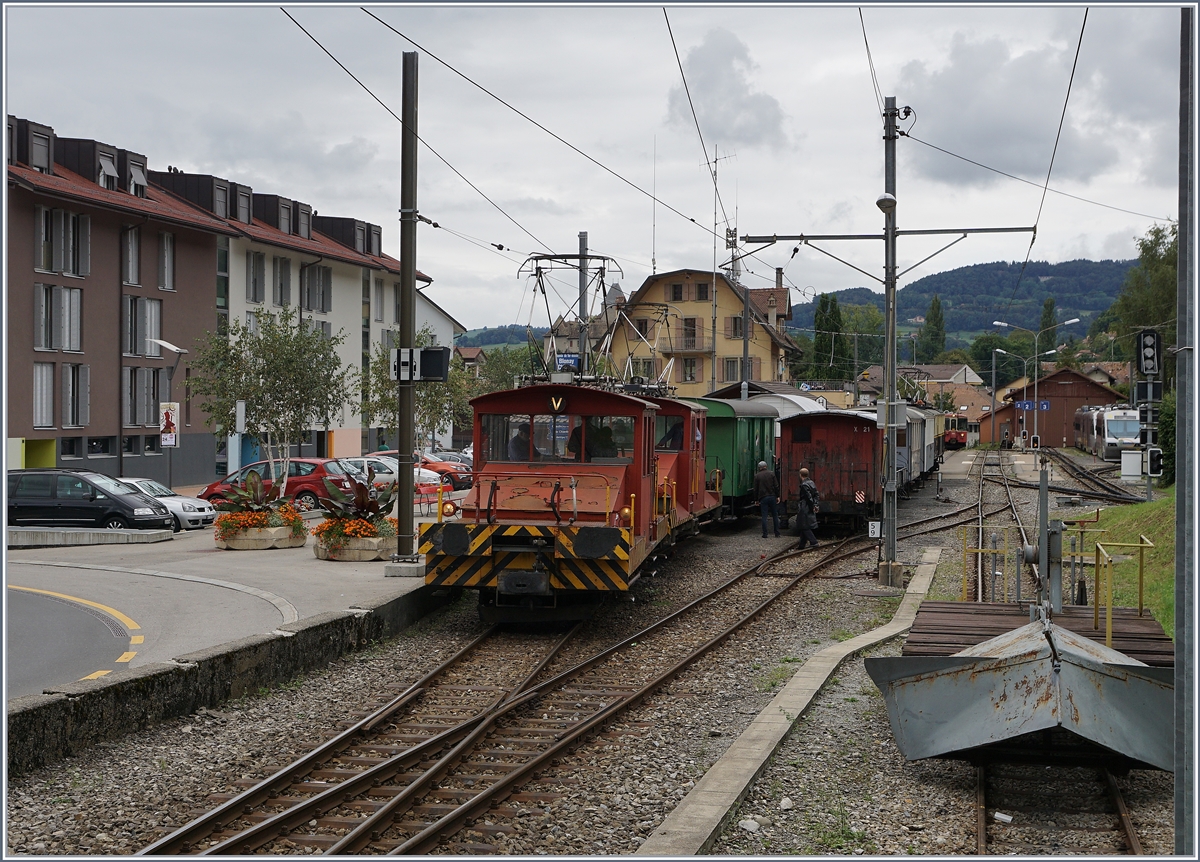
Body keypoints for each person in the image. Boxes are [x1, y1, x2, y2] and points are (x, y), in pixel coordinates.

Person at [753, 460, 781, 539]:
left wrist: (756, 500)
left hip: (763, 497)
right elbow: (776, 486)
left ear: (759, 468)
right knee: (775, 515)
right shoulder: (772, 474)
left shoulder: (757, 476)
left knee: (764, 516)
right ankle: (777, 533)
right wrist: (778, 496)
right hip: (772, 496)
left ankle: (765, 534)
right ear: (766, 466)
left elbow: (755, 489)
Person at [795, 467, 821, 549]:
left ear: (800, 475)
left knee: (804, 525)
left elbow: (808, 497)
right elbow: (816, 494)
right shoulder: (811, 483)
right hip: (808, 506)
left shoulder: (804, 485)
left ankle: (814, 542)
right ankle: (801, 545)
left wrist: (812, 506)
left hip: (805, 507)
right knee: (804, 525)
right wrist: (816, 505)